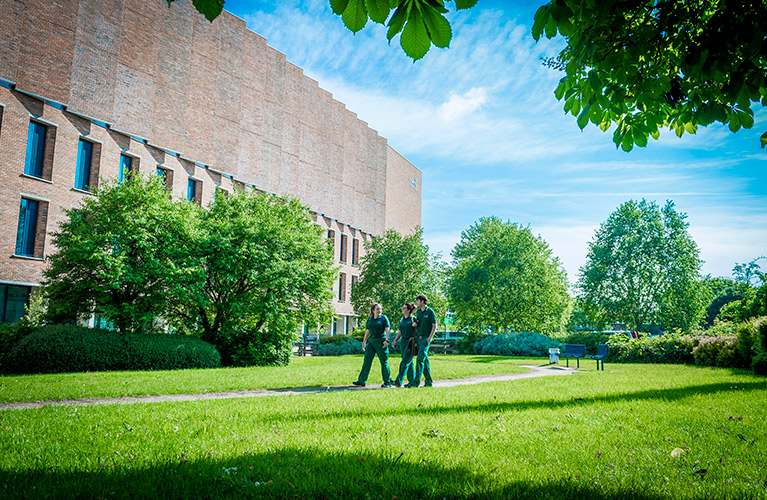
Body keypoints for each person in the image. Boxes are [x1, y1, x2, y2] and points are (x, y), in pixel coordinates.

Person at [353, 303, 393, 388]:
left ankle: (387, 382)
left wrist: (386, 340)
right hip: (371, 342)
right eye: (377, 309)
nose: (379, 311)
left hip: (381, 341)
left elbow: (387, 329)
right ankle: (362, 380)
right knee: (367, 361)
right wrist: (364, 341)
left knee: (383, 361)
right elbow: (367, 330)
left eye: (380, 309)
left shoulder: (383, 318)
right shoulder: (370, 319)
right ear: (373, 310)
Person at [410, 294, 437, 388]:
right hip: (419, 338)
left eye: (417, 301)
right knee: (424, 361)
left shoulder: (430, 312)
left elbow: (434, 325)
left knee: (420, 359)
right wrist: (415, 324)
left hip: (426, 339)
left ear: (422, 301)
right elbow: (418, 322)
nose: (416, 303)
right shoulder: (418, 312)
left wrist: (430, 338)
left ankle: (416, 382)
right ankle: (429, 382)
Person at [390, 302, 417, 387]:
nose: (402, 309)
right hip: (403, 342)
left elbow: (419, 330)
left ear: (409, 310)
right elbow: (400, 332)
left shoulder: (413, 319)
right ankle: (412, 381)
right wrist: (395, 341)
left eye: (404, 308)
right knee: (409, 362)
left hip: (411, 342)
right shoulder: (402, 319)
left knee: (405, 362)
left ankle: (398, 381)